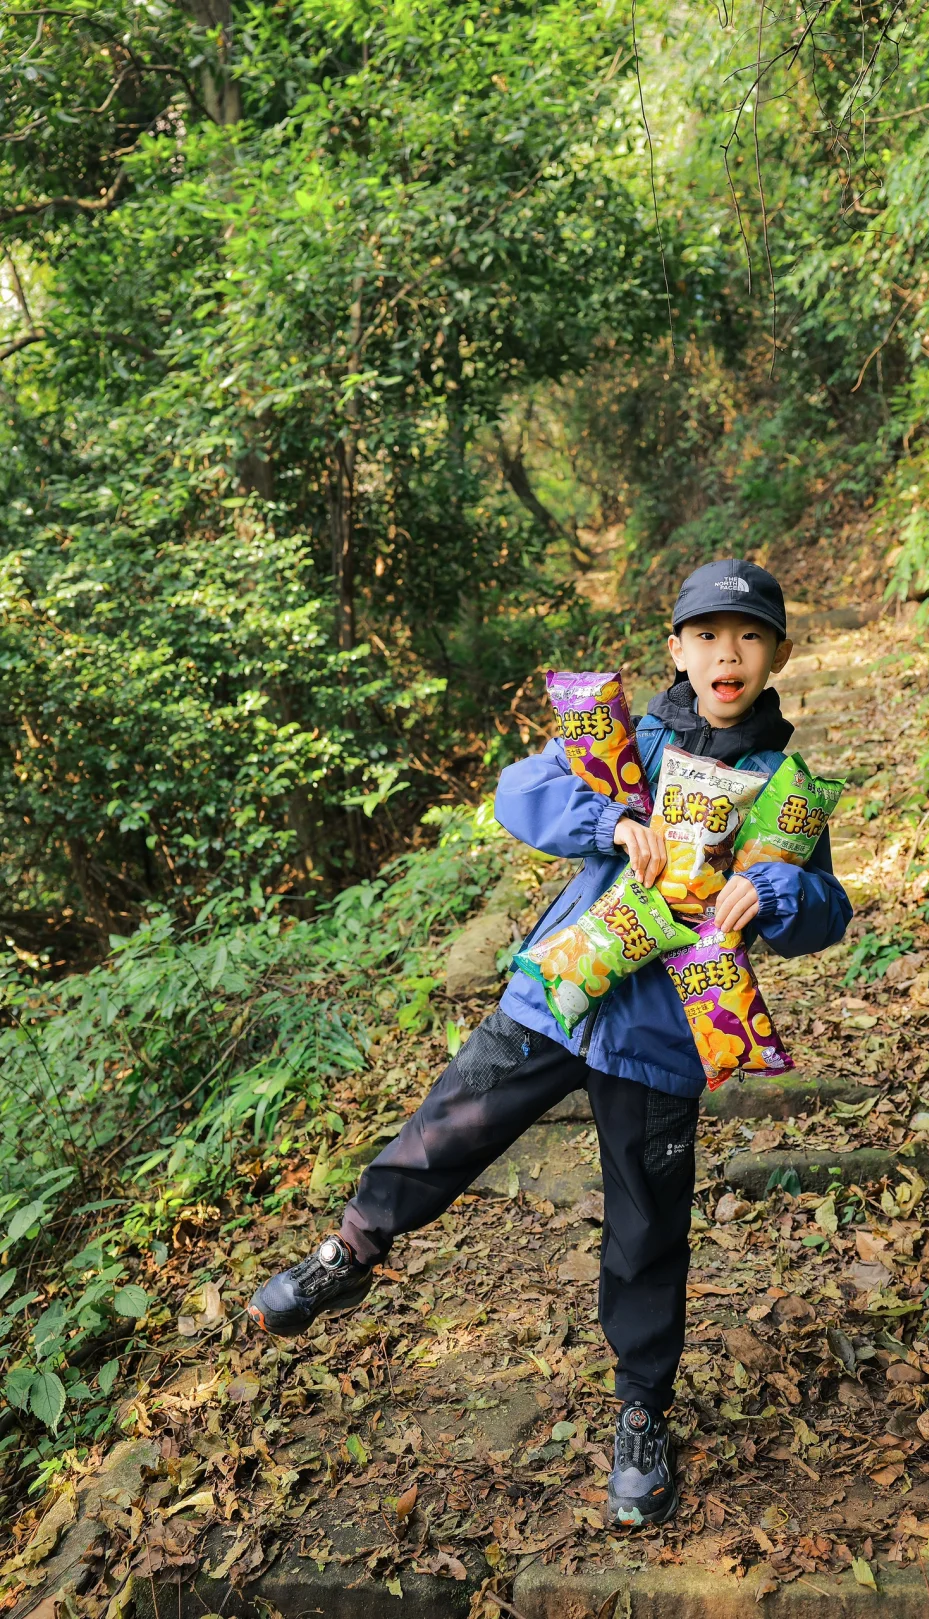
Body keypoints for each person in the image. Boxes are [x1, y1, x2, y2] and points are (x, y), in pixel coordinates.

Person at [247, 557, 852, 1530]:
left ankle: (642, 1410)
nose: (725, 652)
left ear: (779, 651)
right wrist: (612, 818)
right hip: (555, 996)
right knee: (446, 1128)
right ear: (676, 650)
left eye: (746, 633)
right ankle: (348, 1251)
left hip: (665, 1035)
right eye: (705, 633)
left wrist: (775, 893)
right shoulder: (633, 742)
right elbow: (519, 792)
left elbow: (826, 910)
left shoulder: (784, 784)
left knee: (647, 1223)